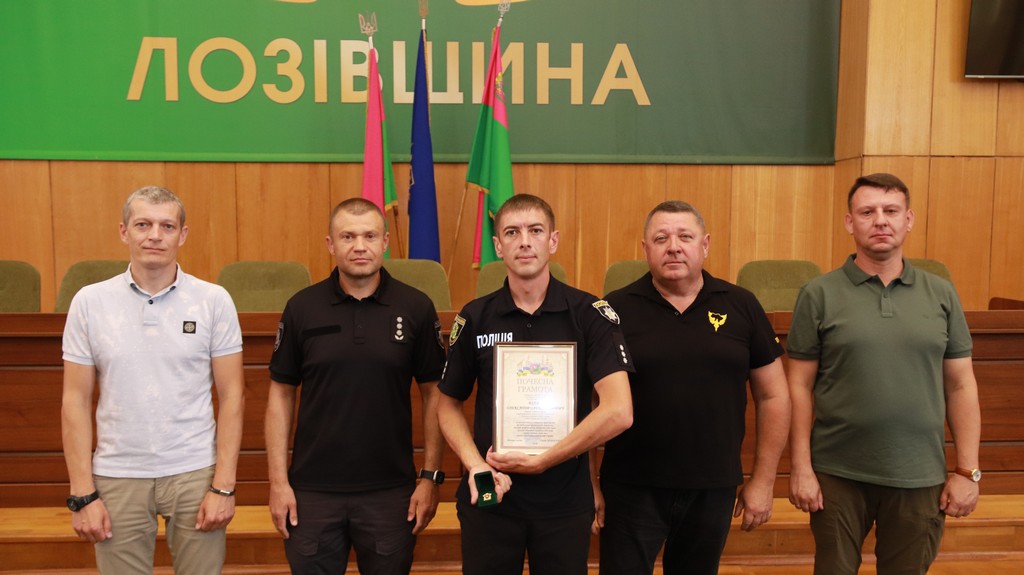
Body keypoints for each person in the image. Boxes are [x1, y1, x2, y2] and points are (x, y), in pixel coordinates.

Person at [787, 173, 982, 575]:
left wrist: (968, 471)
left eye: (891, 211)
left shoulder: (941, 294)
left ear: (908, 220)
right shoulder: (818, 294)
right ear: (849, 222)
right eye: (867, 212)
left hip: (919, 474)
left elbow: (961, 385)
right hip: (837, 474)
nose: (880, 220)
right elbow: (798, 386)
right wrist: (801, 468)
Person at [437, 193, 634, 575]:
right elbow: (447, 404)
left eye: (536, 230)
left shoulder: (589, 315)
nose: (524, 241)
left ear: (553, 240)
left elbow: (619, 411)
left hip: (564, 499)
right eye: (512, 232)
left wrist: (545, 459)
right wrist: (475, 466)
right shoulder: (475, 317)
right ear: (498, 246)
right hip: (491, 494)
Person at [597, 200, 791, 575]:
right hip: (630, 487)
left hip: (713, 487)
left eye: (685, 237)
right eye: (661, 238)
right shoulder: (613, 310)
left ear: (705, 245)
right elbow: (589, 402)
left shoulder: (741, 305)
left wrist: (764, 481)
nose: (673, 247)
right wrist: (590, 484)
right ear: (645, 249)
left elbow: (774, 395)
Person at [61, 185, 245, 574]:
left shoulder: (214, 300)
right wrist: (82, 492)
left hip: (195, 472)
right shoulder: (89, 302)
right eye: (143, 224)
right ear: (124, 231)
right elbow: (74, 400)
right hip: (117, 473)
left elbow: (233, 396)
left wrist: (224, 486)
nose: (155, 236)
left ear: (183, 234)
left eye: (167, 226)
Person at [265, 198, 447, 574]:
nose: (359, 246)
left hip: (391, 493)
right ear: (330, 244)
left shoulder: (415, 307)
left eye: (369, 236)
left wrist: (430, 478)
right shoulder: (302, 308)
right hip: (310, 493)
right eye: (347, 236)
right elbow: (280, 394)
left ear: (385, 242)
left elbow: (435, 394)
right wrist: (278, 482)